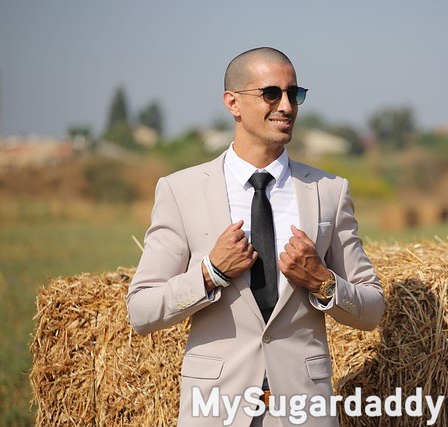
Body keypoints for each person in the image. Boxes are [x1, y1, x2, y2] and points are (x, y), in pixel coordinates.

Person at [126, 47, 385, 427]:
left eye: (294, 94)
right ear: (233, 103)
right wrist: (209, 273)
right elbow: (142, 311)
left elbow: (372, 309)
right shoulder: (180, 191)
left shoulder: (329, 191)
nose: (286, 106)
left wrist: (323, 282)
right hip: (214, 411)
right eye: (271, 93)